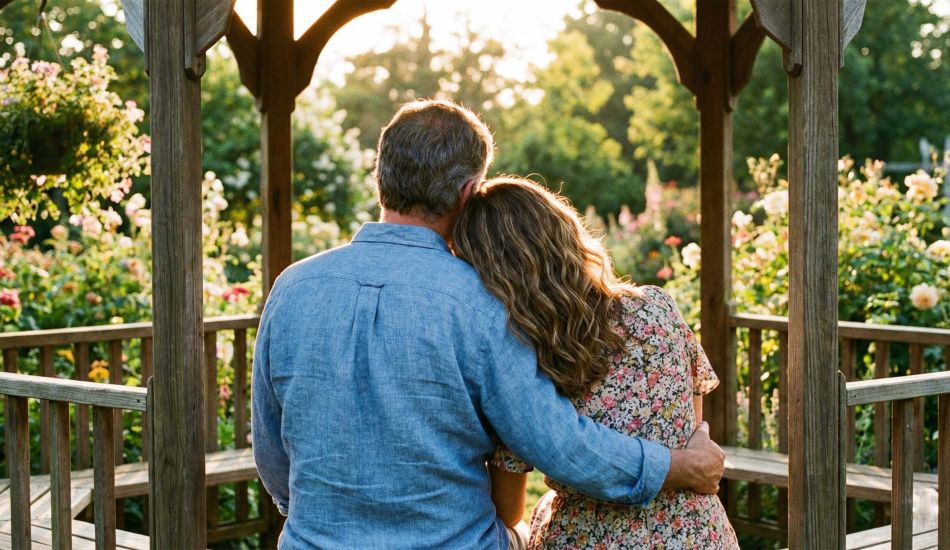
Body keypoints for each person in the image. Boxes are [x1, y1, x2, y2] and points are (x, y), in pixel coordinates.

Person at [252, 99, 726, 549]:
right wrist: (681, 466)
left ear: (380, 176)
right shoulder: (482, 304)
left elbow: (273, 457)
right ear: (465, 193)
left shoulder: (291, 289)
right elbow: (562, 446)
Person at [453, 177, 739, 549]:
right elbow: (692, 434)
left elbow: (507, 509)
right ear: (564, 231)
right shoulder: (657, 307)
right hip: (698, 535)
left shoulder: (528, 356)